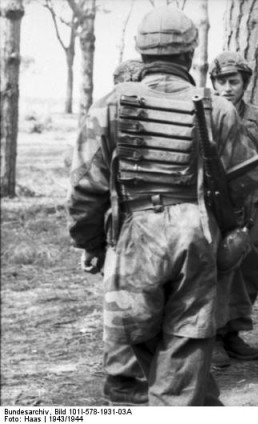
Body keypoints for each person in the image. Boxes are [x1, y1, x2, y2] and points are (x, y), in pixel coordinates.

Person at [67, 6, 258, 406]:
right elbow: (247, 182)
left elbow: (87, 186)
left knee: (136, 338)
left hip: (134, 235)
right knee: (187, 343)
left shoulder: (110, 103)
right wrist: (227, 226)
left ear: (142, 52)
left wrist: (90, 244)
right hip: (197, 233)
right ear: (189, 54)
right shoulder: (219, 108)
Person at [208, 51, 258, 366]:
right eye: (221, 81)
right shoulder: (206, 114)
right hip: (221, 204)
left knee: (251, 270)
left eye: (233, 81)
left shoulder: (257, 117)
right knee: (219, 269)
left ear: (245, 83)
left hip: (257, 202)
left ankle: (233, 334)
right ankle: (211, 338)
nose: (227, 88)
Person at [101, 59, 147, 405]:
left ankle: (133, 371)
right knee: (122, 302)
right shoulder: (110, 112)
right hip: (122, 217)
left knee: (137, 299)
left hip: (139, 217)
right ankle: (120, 379)